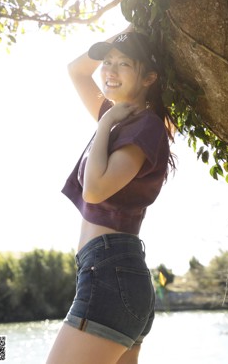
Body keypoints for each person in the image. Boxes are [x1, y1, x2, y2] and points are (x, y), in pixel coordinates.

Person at [46, 29, 176, 364]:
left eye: (123, 64)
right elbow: (76, 70)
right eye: (107, 63)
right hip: (109, 274)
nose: (110, 71)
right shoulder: (123, 118)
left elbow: (95, 189)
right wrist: (126, 34)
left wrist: (104, 124)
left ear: (149, 76)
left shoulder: (144, 125)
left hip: (110, 273)